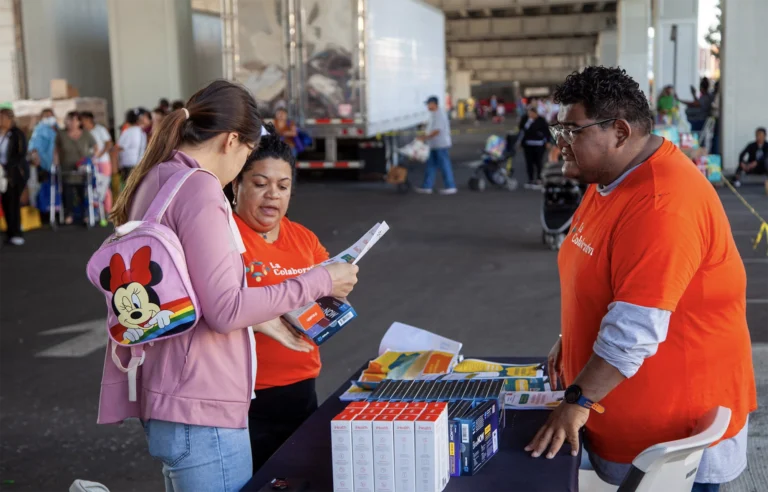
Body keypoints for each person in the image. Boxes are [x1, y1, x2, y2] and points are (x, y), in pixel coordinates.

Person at [105, 80, 359, 492]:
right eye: (246, 162)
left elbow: (187, 293)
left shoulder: (158, 178)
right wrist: (320, 279)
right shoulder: (200, 188)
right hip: (204, 401)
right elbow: (225, 309)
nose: (241, 171)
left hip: (166, 393)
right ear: (232, 140)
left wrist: (263, 321)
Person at [526, 66, 756, 492]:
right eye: (559, 130)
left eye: (571, 131)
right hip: (629, 421)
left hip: (671, 435)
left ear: (618, 131)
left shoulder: (661, 205)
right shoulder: (610, 179)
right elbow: (602, 275)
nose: (561, 145)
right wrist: (571, 336)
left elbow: (634, 330)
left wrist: (577, 401)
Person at [229, 126, 327, 471]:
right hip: (244, 397)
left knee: (303, 477)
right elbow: (219, 308)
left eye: (282, 187)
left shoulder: (303, 238)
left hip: (301, 387)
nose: (273, 195)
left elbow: (328, 298)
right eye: (260, 184)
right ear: (235, 185)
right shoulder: (222, 238)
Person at [56, 111, 96, 225]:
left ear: (79, 122)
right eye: (69, 119)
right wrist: (55, 163)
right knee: (67, 192)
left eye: (75, 120)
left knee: (82, 192)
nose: (72, 122)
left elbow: (96, 148)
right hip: (66, 168)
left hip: (82, 168)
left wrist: (92, 159)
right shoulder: (61, 134)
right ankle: (69, 214)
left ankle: (85, 215)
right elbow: (56, 150)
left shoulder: (86, 134)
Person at [416, 96, 457, 195]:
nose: (427, 106)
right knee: (431, 166)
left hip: (440, 144)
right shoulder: (433, 114)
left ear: (434, 104)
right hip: (434, 145)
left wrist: (424, 138)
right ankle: (427, 186)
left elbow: (436, 131)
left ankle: (450, 186)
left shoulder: (439, 114)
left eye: (428, 104)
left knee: (444, 165)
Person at [0, 109, 29, 246]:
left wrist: (8, 166)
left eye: (2, 118)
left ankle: (16, 232)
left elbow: (20, 154)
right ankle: (9, 232)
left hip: (13, 174)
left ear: (9, 119)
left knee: (13, 203)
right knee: (5, 204)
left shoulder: (17, 134)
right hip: (1, 173)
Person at [80, 111, 113, 215]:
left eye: (83, 120)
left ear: (89, 120)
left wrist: (99, 155)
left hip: (103, 162)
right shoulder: (83, 132)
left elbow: (108, 144)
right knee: (94, 186)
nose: (81, 122)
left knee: (104, 186)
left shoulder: (100, 129)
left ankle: (107, 210)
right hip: (91, 163)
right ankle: (97, 210)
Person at [520, 104, 550, 189]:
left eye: (532, 113)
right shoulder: (525, 119)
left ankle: (539, 179)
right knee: (529, 163)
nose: (530, 115)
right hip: (528, 144)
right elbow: (522, 130)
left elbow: (546, 132)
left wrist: (547, 141)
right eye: (529, 113)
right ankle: (530, 179)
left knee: (538, 162)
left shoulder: (541, 120)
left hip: (539, 144)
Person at [116, 109, 147, 185]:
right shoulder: (142, 132)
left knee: (127, 188)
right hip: (139, 163)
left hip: (128, 164)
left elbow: (120, 147)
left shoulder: (128, 132)